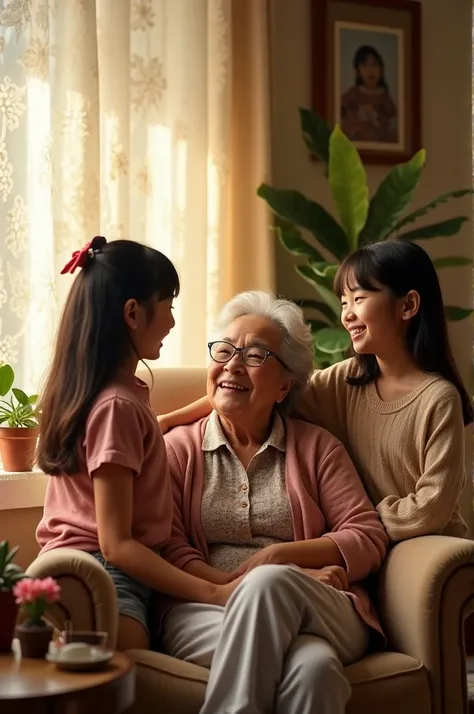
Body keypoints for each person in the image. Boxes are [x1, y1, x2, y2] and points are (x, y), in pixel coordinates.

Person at [159, 291, 388, 714]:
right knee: (314, 668)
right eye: (224, 350)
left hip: (319, 606)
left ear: (285, 385)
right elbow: (170, 548)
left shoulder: (318, 448)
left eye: (254, 355)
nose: (231, 364)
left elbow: (367, 536)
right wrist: (241, 587)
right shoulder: (178, 451)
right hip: (203, 611)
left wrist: (280, 560)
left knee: (271, 581)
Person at [158, 241, 473, 544]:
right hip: (369, 541)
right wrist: (170, 420)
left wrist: (358, 521)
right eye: (344, 302)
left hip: (423, 546)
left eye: (359, 298)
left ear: (408, 305)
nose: (346, 315)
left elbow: (431, 509)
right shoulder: (344, 381)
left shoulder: (439, 398)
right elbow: (251, 394)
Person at [36, 236, 238, 651]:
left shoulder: (108, 394)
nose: (172, 322)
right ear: (133, 312)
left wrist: (189, 411)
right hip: (106, 576)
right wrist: (215, 593)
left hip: (97, 570)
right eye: (168, 306)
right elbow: (118, 544)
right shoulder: (117, 407)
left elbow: (156, 427)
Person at [341, 45, 397, 144]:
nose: (370, 70)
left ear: (381, 69)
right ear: (358, 71)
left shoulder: (385, 97)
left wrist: (375, 120)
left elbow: (392, 125)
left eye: (374, 65)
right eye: (364, 65)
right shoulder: (352, 94)